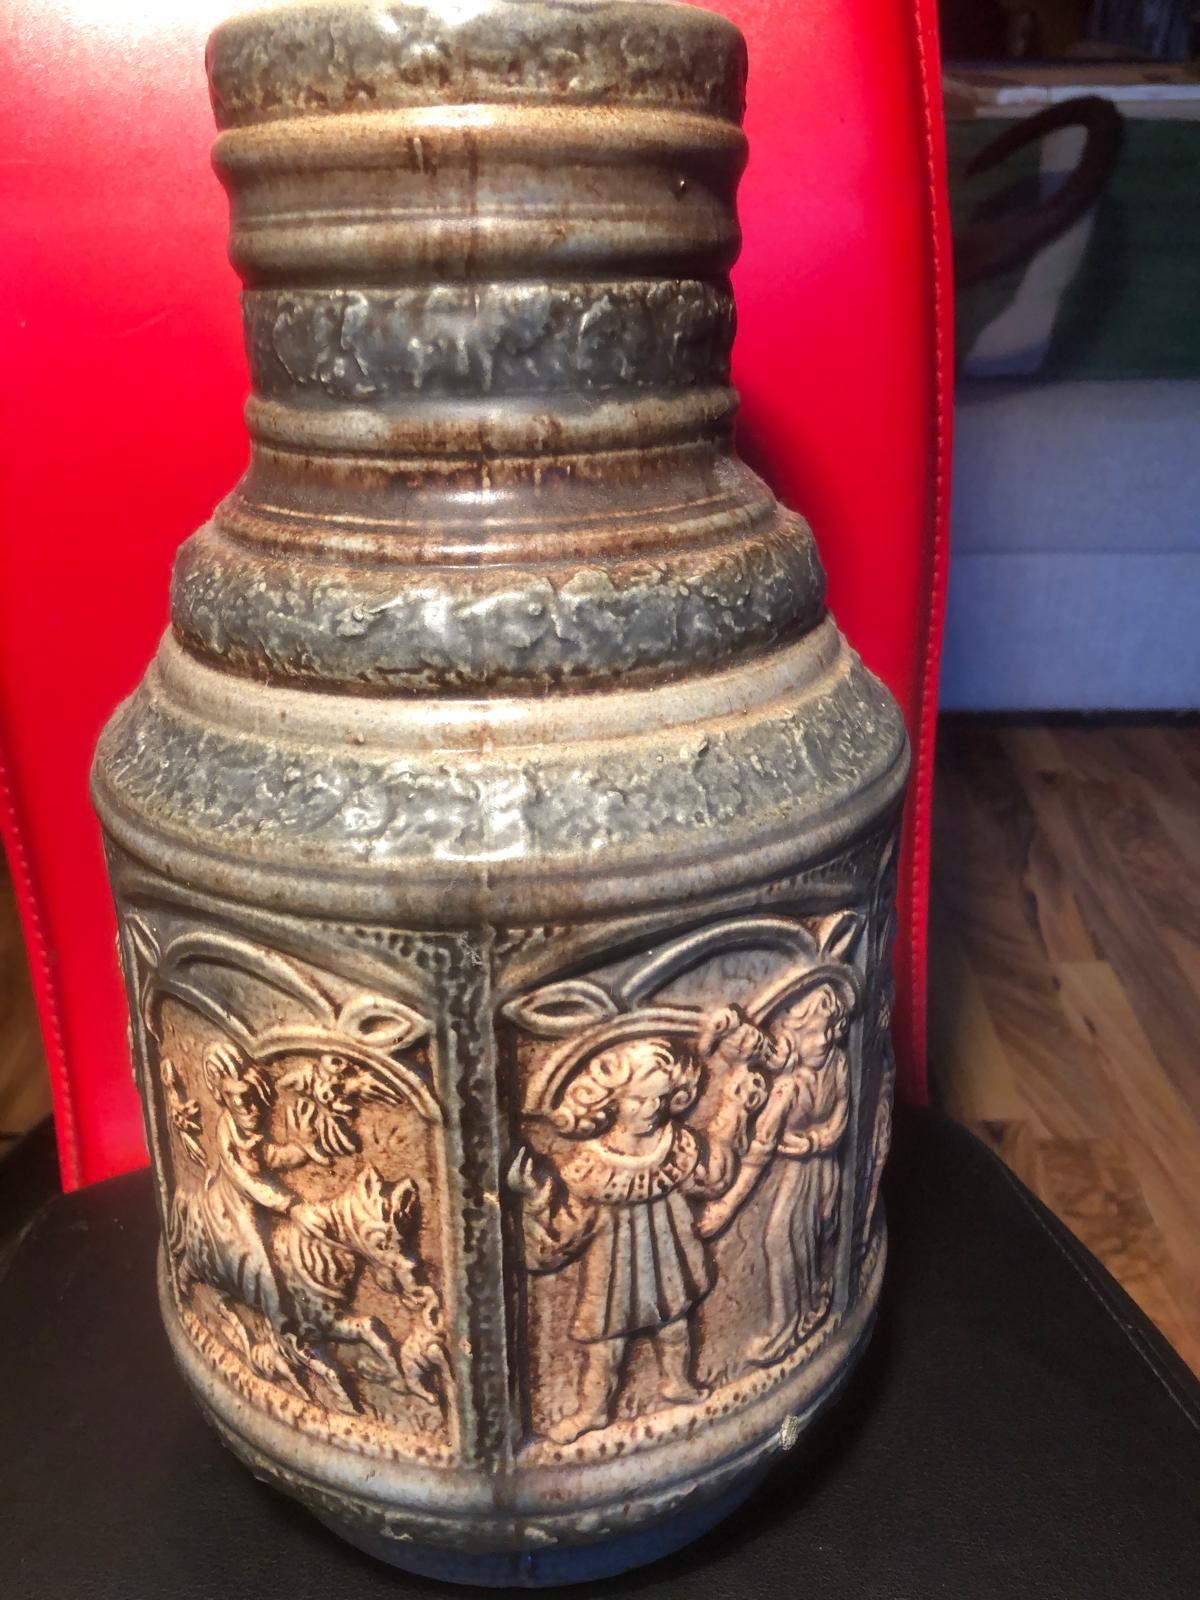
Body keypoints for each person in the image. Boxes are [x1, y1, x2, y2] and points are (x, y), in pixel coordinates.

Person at [510, 1035, 733, 1444]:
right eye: (638, 1100)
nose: (650, 1109)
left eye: (660, 1099)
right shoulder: (592, 1165)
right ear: (610, 1102)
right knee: (606, 1345)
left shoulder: (676, 1145)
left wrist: (734, 1118)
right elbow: (570, 1226)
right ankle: (594, 1410)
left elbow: (708, 1182)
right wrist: (536, 1195)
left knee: (674, 1323)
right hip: (613, 1268)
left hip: (667, 1252)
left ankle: (676, 1382)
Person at [698, 978, 852, 1365]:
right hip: (792, 1178)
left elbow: (840, 1120)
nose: (824, 1041)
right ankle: (786, 1325)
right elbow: (758, 1153)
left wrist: (813, 1143)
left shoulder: (837, 1065)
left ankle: (816, 1304)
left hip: (823, 1170)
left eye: (830, 1030)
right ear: (793, 1037)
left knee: (820, 1232)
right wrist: (728, 1205)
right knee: (780, 1238)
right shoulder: (786, 1090)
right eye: (814, 1033)